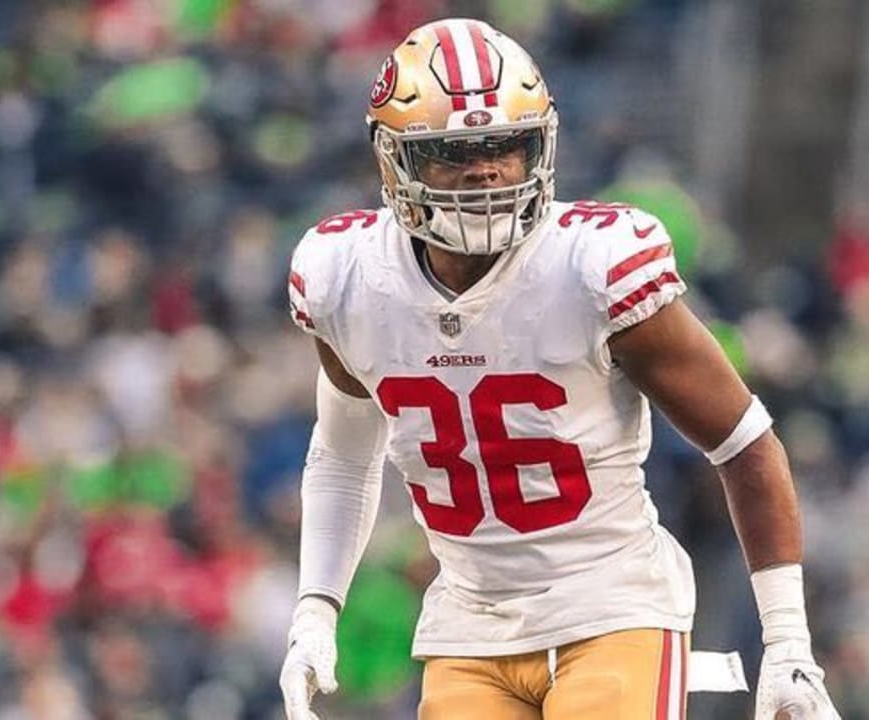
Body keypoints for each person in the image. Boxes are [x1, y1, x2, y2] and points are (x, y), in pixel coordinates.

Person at [278, 18, 840, 720]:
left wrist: (787, 639)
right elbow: (341, 459)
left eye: (508, 146)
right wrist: (315, 612)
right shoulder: (346, 278)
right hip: (469, 622)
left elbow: (743, 440)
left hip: (611, 607)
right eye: (456, 151)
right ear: (395, 162)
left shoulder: (591, 266)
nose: (487, 169)